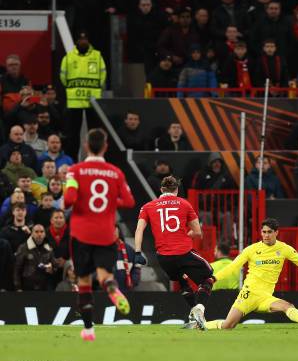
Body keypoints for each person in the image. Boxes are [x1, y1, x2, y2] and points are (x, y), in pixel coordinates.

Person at [203, 218, 298, 330]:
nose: (266, 235)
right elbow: (233, 266)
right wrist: (213, 278)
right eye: (263, 232)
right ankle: (202, 325)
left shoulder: (284, 249)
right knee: (228, 325)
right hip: (248, 294)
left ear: (276, 232)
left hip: (266, 296)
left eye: (269, 232)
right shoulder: (251, 249)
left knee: (287, 305)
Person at [63, 128, 136, 341]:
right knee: (105, 275)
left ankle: (88, 330)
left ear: (86, 146)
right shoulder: (116, 172)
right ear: (105, 146)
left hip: (81, 233)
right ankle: (112, 288)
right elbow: (130, 202)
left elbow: (68, 200)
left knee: (84, 281)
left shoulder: (75, 171)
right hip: (106, 233)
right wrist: (112, 202)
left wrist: (77, 194)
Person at [136, 175, 213, 329]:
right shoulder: (184, 204)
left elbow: (139, 229)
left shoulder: (148, 206)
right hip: (183, 252)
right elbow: (197, 232)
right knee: (209, 277)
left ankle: (193, 316)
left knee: (182, 280)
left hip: (164, 257)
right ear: (176, 189)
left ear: (161, 189)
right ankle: (199, 309)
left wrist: (138, 252)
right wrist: (186, 235)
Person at [59, 31, 107, 160]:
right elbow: (63, 76)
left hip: (93, 101)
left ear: (88, 41)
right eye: (81, 40)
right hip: (74, 101)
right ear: (77, 42)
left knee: (94, 133)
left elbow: (103, 75)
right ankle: (71, 160)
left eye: (85, 40)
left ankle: (96, 157)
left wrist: (94, 88)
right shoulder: (69, 57)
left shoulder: (97, 56)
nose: (83, 42)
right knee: (73, 134)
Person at [13, 224, 56, 291]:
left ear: (45, 234)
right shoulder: (23, 248)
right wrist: (18, 287)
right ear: (32, 234)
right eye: (36, 232)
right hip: (27, 287)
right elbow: (17, 269)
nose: (39, 234)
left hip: (44, 287)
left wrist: (51, 269)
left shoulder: (49, 248)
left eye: (42, 232)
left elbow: (55, 267)